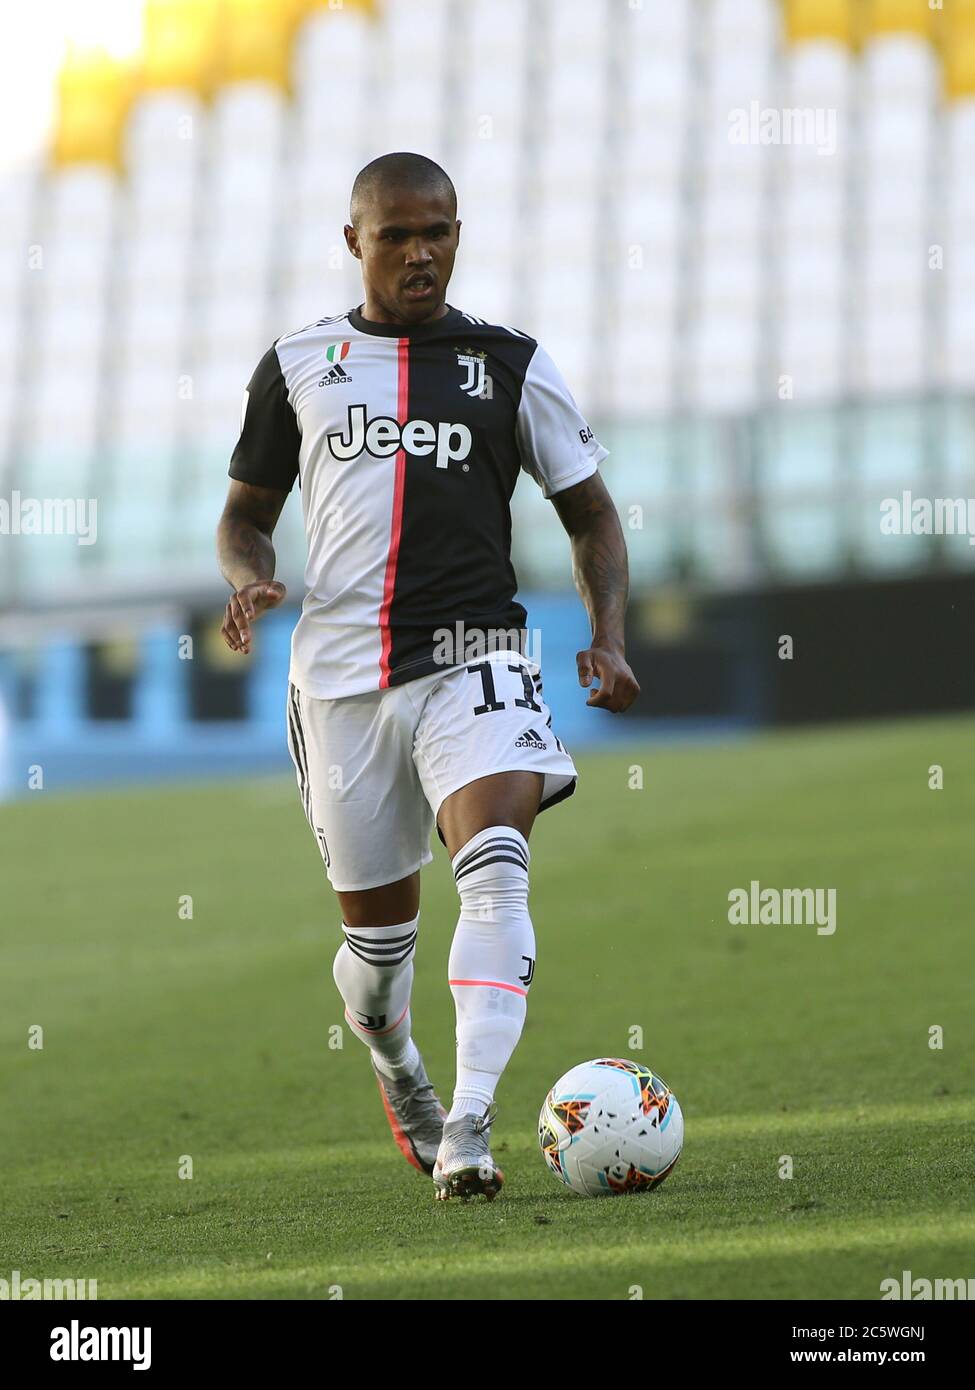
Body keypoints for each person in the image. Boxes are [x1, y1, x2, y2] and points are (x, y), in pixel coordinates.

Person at [217, 152, 639, 1202]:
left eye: (440, 231)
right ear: (354, 240)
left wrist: (609, 633)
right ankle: (398, 1065)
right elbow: (243, 513)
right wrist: (249, 576)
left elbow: (590, 511)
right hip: (344, 686)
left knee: (495, 866)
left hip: (477, 661)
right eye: (399, 234)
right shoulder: (298, 363)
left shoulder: (510, 363)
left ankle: (470, 1123)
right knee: (376, 959)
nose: (421, 252)